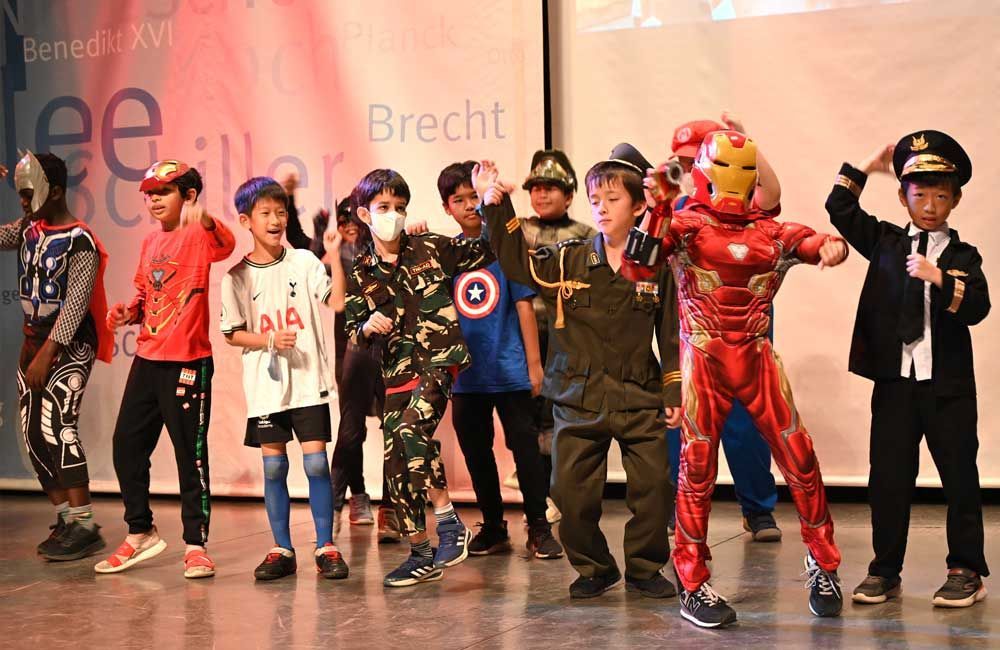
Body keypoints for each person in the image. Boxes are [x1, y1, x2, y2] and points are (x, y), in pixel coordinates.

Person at [624, 131, 848, 626]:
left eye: (744, 172)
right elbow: (636, 268)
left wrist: (831, 248)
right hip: (704, 358)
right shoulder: (683, 225)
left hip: (755, 356)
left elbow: (816, 242)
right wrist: (656, 208)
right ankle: (692, 582)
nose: (735, 182)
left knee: (800, 457)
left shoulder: (771, 232)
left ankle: (823, 562)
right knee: (696, 470)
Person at [474, 149, 682, 601]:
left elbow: (670, 331)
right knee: (568, 494)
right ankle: (595, 566)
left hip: (638, 392)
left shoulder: (654, 263)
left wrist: (674, 388)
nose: (601, 208)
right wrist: (495, 203)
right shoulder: (567, 258)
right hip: (576, 395)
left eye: (612, 199)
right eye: (594, 199)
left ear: (639, 206)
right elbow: (517, 263)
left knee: (654, 489)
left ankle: (646, 567)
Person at [826, 131, 990, 608]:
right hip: (896, 383)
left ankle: (966, 569)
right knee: (889, 477)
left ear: (956, 199)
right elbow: (839, 207)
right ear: (903, 196)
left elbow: (978, 307)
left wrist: (940, 278)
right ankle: (885, 569)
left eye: (942, 196)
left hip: (948, 388)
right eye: (920, 194)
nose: (931, 206)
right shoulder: (885, 242)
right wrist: (865, 166)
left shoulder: (964, 257)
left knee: (959, 475)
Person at [342, 169, 491, 586]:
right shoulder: (362, 268)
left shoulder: (429, 246)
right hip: (396, 371)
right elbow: (353, 325)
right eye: (384, 208)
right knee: (397, 462)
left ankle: (448, 523)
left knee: (411, 430)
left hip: (438, 359)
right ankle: (421, 553)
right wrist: (367, 325)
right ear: (365, 214)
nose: (394, 216)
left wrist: (484, 206)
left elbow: (482, 250)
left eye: (401, 208)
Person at [97, 160, 235, 578]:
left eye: (164, 192)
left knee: (189, 456)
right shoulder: (150, 243)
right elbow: (145, 293)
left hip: (188, 363)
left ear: (188, 196)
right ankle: (141, 532)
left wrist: (206, 218)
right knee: (126, 444)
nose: (153, 200)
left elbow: (226, 245)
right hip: (147, 359)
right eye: (150, 194)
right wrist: (127, 312)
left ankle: (196, 545)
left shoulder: (199, 233)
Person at [220, 176, 348, 581]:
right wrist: (269, 339)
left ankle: (325, 545)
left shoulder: (305, 262)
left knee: (315, 464)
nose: (276, 220)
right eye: (266, 213)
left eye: (281, 212)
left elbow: (339, 301)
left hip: (308, 381)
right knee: (273, 469)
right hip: (265, 389)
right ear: (246, 221)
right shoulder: (235, 277)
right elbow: (232, 333)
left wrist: (334, 255)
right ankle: (281, 549)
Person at [664, 115, 782, 542]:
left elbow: (773, 193)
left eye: (691, 159)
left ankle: (758, 510)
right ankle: (678, 513)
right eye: (678, 160)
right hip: (694, 334)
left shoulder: (748, 211)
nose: (684, 168)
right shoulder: (677, 210)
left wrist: (746, 146)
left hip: (744, 333)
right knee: (683, 425)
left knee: (748, 424)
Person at [438, 161, 563, 559]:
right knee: (477, 451)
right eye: (459, 200)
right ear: (447, 208)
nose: (469, 205)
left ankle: (539, 526)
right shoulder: (445, 253)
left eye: (475, 196)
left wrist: (534, 365)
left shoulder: (505, 247)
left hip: (510, 370)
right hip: (467, 375)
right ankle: (493, 525)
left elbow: (525, 305)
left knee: (525, 448)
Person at [0, 152, 112, 561]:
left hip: (68, 344)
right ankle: (66, 517)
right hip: (34, 343)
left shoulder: (79, 239)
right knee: (31, 434)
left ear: (57, 191)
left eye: (30, 194)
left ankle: (84, 524)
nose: (24, 203)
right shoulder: (29, 229)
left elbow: (76, 305)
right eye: (21, 195)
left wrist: (48, 353)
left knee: (58, 426)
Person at [283, 175, 398, 541]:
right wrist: (297, 208)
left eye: (353, 220)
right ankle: (345, 501)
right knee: (352, 431)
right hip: (351, 353)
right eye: (342, 220)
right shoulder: (339, 254)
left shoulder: (384, 248)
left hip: (392, 354)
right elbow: (302, 246)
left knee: (394, 428)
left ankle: (390, 509)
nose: (348, 227)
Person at [518, 149, 597, 524]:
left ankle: (559, 490)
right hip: (523, 339)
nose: (543, 195)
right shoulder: (518, 231)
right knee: (528, 418)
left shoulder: (586, 235)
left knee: (559, 415)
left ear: (569, 195)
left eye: (552, 188)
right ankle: (536, 493)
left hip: (568, 341)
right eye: (536, 188)